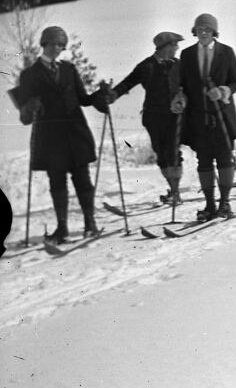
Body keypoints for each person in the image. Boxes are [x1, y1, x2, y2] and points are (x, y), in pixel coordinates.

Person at [10, 25, 109, 241]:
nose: (56, 48)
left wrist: (102, 95)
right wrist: (30, 107)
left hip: (76, 133)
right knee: (57, 182)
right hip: (50, 138)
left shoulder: (69, 69)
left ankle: (90, 223)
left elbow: (83, 99)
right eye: (52, 44)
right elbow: (24, 117)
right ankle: (62, 228)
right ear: (43, 44)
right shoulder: (29, 75)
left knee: (83, 179)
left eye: (60, 45)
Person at [175, 13, 236, 221]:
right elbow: (181, 83)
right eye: (200, 29)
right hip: (198, 117)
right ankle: (210, 205)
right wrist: (179, 97)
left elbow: (234, 82)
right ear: (195, 32)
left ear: (214, 32)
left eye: (207, 29)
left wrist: (222, 92)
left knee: (224, 158)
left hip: (221, 114)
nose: (203, 33)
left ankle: (225, 203)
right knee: (203, 160)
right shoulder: (186, 55)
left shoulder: (226, 52)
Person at [109, 30, 186, 205]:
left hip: (175, 117)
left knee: (174, 153)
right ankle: (173, 190)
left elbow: (188, 87)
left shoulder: (179, 64)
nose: (177, 48)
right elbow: (128, 82)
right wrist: (112, 95)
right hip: (153, 117)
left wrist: (183, 98)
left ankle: (175, 192)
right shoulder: (147, 66)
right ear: (165, 47)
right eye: (174, 45)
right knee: (161, 154)